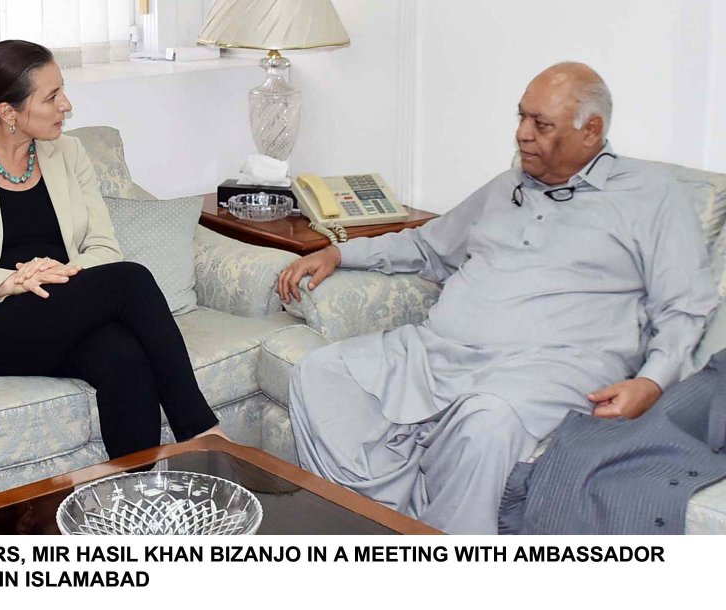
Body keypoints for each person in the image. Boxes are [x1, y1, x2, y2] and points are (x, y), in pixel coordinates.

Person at [277, 62, 717, 533]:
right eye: (522, 117)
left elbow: (686, 305)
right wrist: (339, 253)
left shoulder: (650, 193)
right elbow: (427, 245)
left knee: (485, 422)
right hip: (438, 353)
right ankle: (380, 525)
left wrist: (651, 382)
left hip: (551, 369)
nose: (522, 134)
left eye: (541, 124)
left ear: (591, 131)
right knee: (320, 374)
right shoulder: (508, 186)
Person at [0, 39, 221, 459]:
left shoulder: (69, 153)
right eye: (51, 96)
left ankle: (135, 493)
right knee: (132, 280)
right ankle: (201, 432)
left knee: (125, 357)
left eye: (63, 91)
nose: (66, 105)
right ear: (9, 112)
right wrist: (12, 281)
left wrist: (57, 272)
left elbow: (104, 248)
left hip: (62, 306)